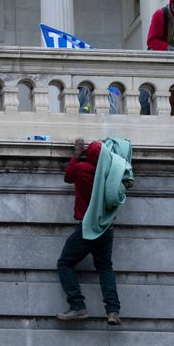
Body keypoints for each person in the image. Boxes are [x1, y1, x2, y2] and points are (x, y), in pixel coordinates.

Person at [55, 138, 122, 325]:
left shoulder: (82, 168)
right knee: (105, 268)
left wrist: (76, 154)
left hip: (87, 227)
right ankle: (112, 311)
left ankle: (77, 305)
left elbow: (67, 176)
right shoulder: (111, 173)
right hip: (107, 228)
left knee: (64, 263)